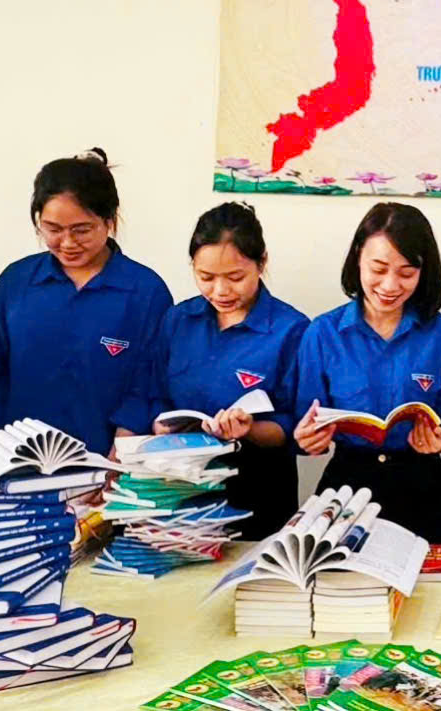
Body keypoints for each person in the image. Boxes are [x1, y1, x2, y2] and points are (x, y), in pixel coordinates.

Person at [0, 150, 173, 460]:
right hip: (19, 463)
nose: (68, 243)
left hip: (106, 463)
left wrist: (123, 448)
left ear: (109, 221)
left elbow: (148, 385)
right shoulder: (16, 283)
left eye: (82, 230)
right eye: (53, 229)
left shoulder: (146, 292)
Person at [115, 203, 307, 540]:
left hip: (257, 494)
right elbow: (152, 391)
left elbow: (296, 425)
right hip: (178, 491)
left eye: (235, 278)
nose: (220, 291)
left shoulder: (291, 330)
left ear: (261, 263)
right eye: (206, 277)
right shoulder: (178, 320)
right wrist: (160, 424)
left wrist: (249, 429)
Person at [292, 202, 441, 541]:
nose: (390, 285)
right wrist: (308, 440)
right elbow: (307, 427)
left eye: (406, 273)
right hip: (347, 486)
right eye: (379, 268)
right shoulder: (323, 333)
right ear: (358, 257)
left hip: (423, 486)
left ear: (424, 271)